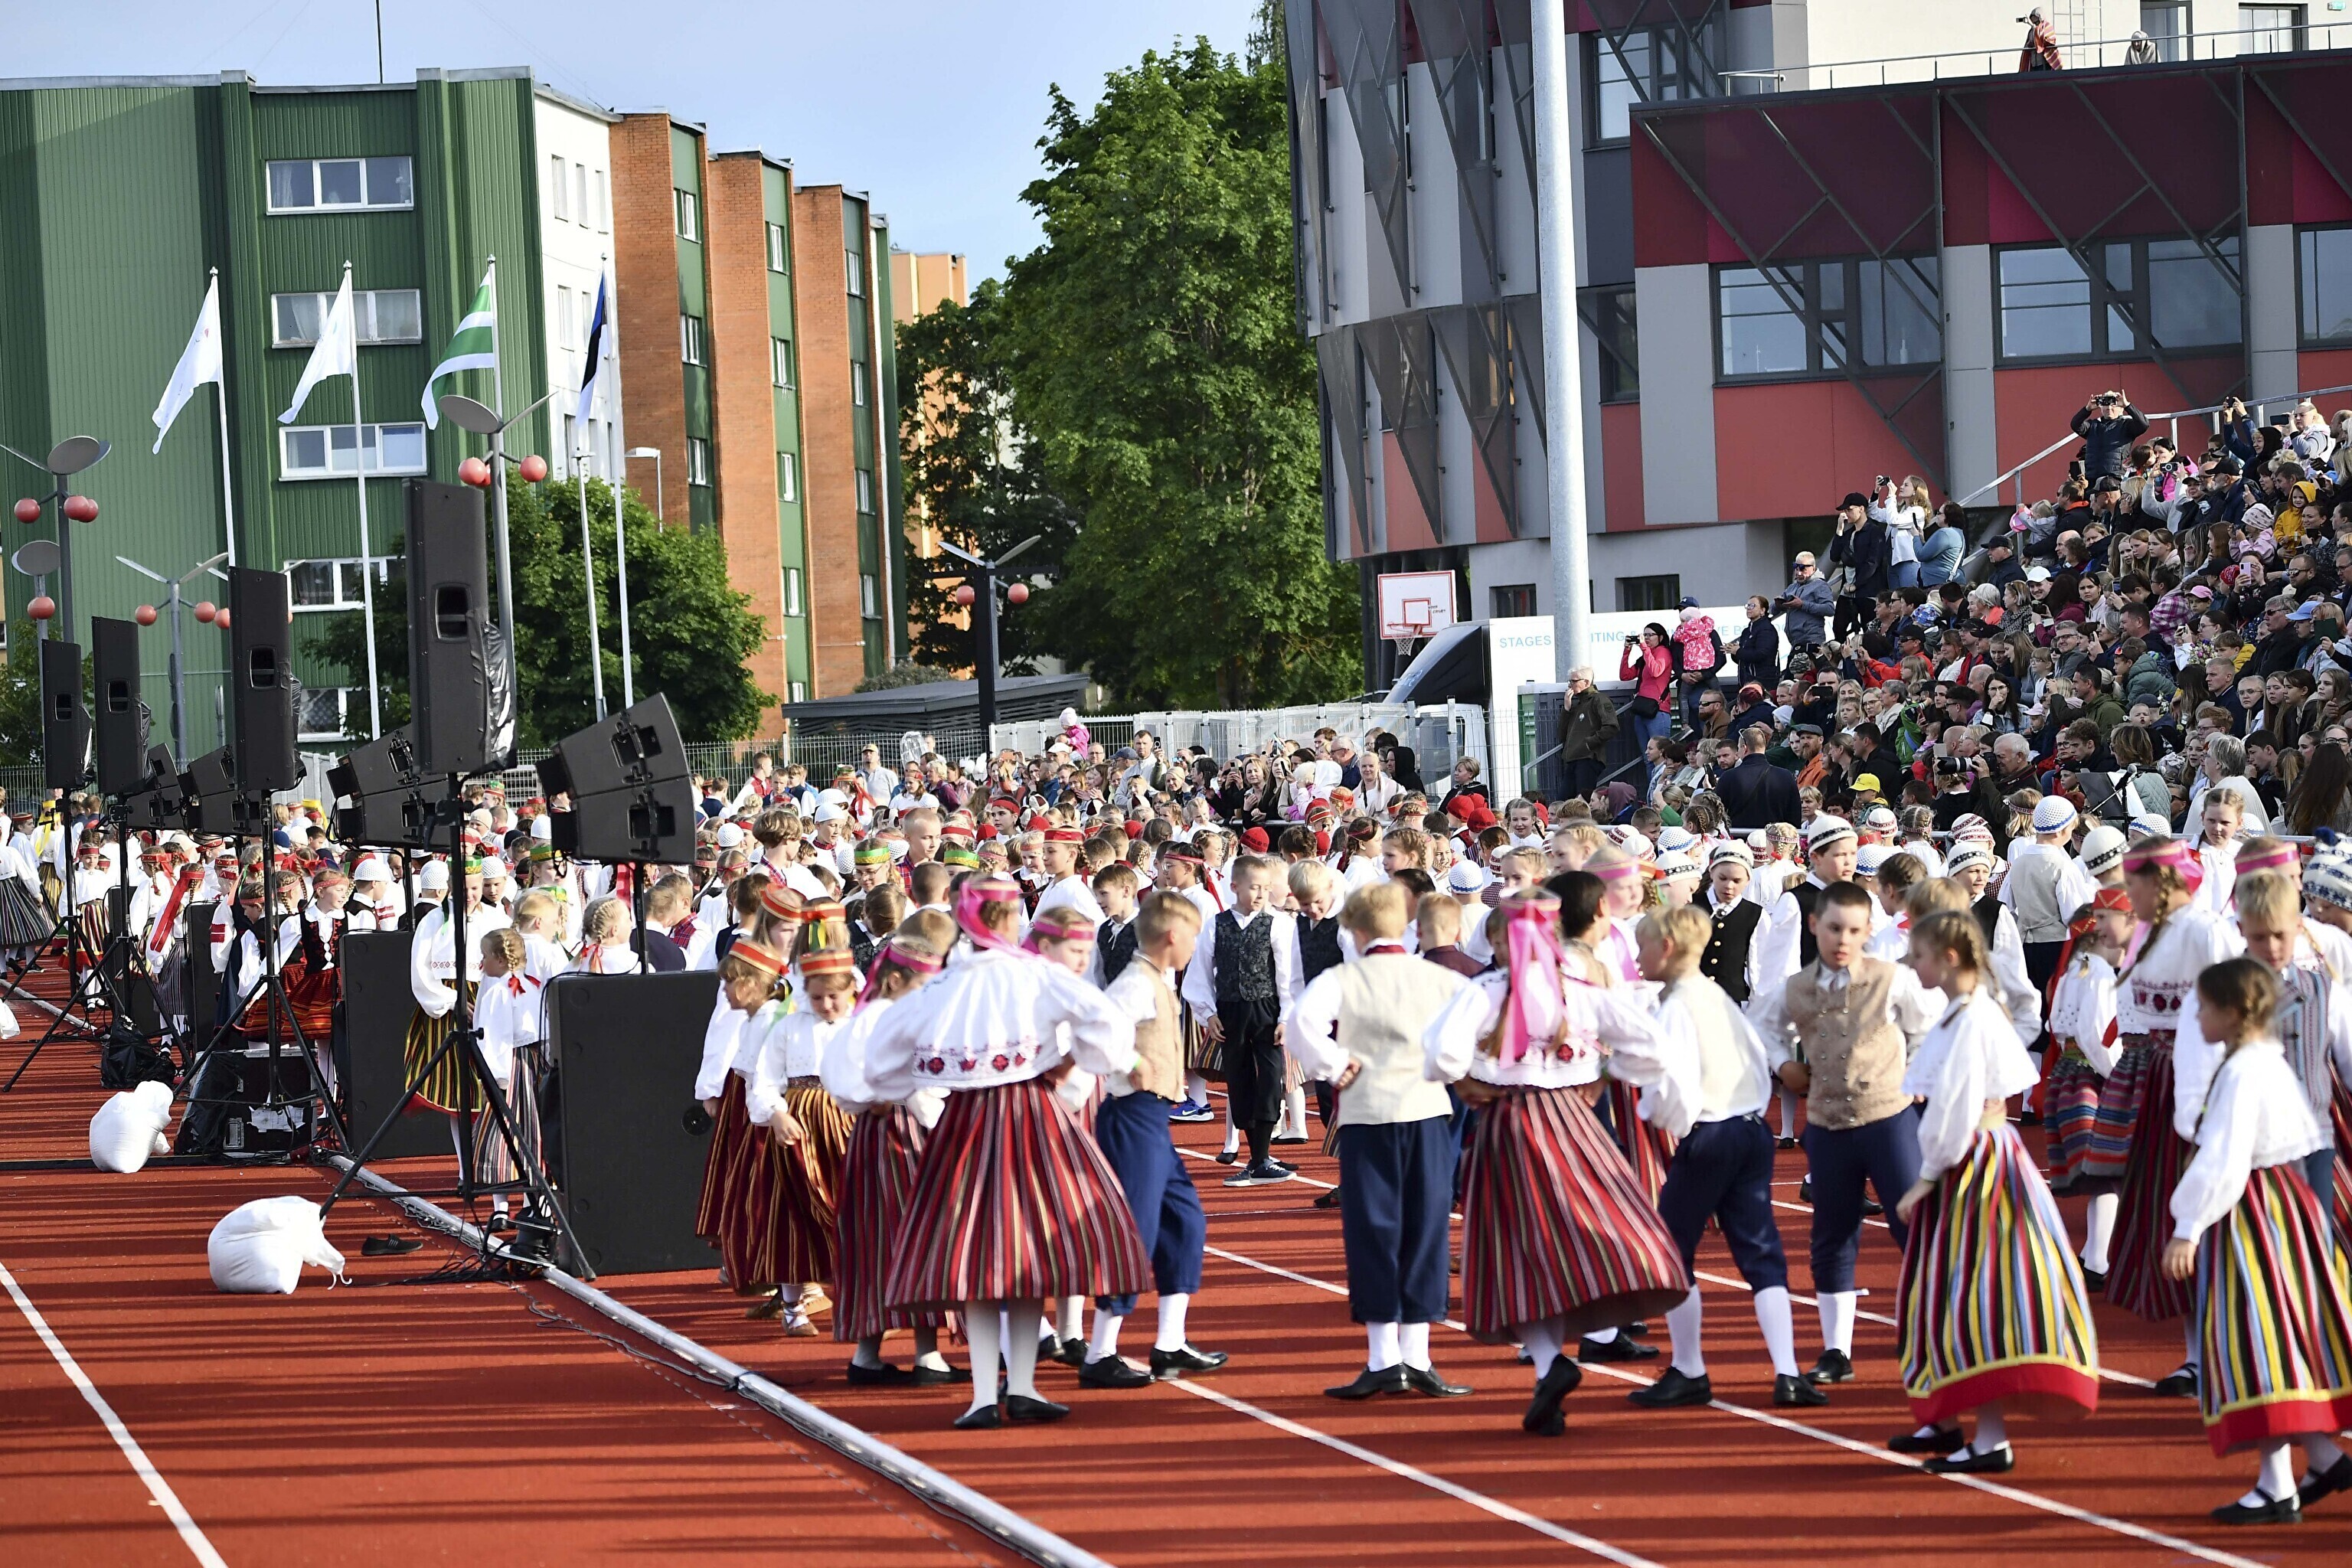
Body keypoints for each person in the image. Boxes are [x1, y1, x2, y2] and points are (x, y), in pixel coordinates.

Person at [867, 874, 1151, 1429]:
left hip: (965, 1122)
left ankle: (987, 1395)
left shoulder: (945, 983)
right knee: (1025, 1253)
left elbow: (882, 1049)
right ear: (1011, 918)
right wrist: (1087, 1063)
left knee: (977, 1257)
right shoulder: (1033, 973)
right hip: (1029, 1116)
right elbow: (1103, 1022)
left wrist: (900, 1087)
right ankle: (1018, 1386)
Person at [1417, 887, 1690, 1432]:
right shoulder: (1579, 989)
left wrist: (1468, 1079)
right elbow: (1653, 1045)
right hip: (1572, 1123)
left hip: (1508, 1123)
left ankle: (1549, 1363)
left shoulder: (1487, 990)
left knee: (1514, 1251)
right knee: (1595, 1226)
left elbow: (1440, 1053)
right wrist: (1603, 1072)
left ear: (1503, 940)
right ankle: (1572, 1351)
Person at [1888, 910, 2099, 1474]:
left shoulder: (1972, 1015)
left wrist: (1927, 1176)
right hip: (1977, 1157)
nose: (1912, 964)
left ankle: (1988, 1438)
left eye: (1919, 955)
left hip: (1975, 1164)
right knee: (1949, 1289)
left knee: (1976, 1293)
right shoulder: (1965, 1009)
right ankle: (1949, 1416)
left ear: (1948, 958)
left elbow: (1956, 1107)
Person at [2164, 957, 2352, 1524]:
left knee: (2255, 1341)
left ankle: (2276, 1486)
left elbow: (2225, 1157)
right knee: (2278, 1338)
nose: (2196, 1016)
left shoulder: (2244, 1070)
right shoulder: (2262, 1059)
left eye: (2204, 1007)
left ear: (2233, 1013)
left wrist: (2187, 1226)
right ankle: (2323, 1460)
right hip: (2281, 1205)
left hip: (2252, 1212)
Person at [1750, 880, 1945, 1385]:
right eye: (1834, 928)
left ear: (1868, 931)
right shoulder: (1796, 987)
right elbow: (1762, 1026)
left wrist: (1917, 1073)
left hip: (1889, 1120)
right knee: (1832, 1235)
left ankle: (1934, 1335)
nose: (1843, 939)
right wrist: (1782, 1064)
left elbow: (1928, 1026)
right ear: (1815, 925)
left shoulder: (1893, 978)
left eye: (1854, 931)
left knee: (1914, 1226)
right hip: (1827, 1124)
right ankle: (1836, 1351)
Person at [1287, 880, 1475, 1401]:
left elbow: (1302, 1023)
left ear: (1355, 930)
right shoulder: (1438, 978)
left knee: (1373, 1228)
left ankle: (1383, 1358)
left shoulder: (1342, 978)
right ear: (1407, 926)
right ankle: (1417, 1355)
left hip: (1367, 1115)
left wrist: (1333, 1065)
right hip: (1426, 1111)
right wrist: (1443, 1067)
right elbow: (1472, 1021)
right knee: (1426, 1226)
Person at [1632, 903, 1821, 1411]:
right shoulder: (1718, 997)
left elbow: (1671, 1087)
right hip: (1750, 1130)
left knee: (1672, 1251)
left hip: (1710, 1133)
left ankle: (1689, 1368)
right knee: (1761, 1250)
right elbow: (1756, 1059)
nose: (1637, 956)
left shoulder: (1676, 1008)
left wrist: (1664, 1119)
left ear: (1666, 948)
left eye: (1643, 946)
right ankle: (1787, 1371)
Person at [2102, 836, 2245, 1399]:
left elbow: (2236, 1006)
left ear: (2158, 883)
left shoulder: (2206, 930)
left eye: (2132, 882)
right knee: (2169, 1212)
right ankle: (2195, 1355)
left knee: (2212, 1214)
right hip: (2162, 1078)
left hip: (2206, 1079)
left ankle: (2226, 1352)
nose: (2125, 893)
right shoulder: (2151, 931)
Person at [1083, 891, 1228, 1388]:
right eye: (1192, 937)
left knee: (1184, 1221)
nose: (1195, 947)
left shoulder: (1158, 980)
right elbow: (1094, 1032)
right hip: (1131, 1117)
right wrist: (1130, 1062)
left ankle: (1170, 1341)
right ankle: (1100, 1352)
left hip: (1153, 1118)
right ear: (1172, 936)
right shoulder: (1135, 983)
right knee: (1135, 1230)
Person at [820, 928, 959, 1385]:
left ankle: (871, 1354)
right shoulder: (884, 1016)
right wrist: (874, 1097)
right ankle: (924, 1355)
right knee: (914, 1233)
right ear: (896, 981)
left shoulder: (878, 1015)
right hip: (900, 1134)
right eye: (923, 985)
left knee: (878, 1237)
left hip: (886, 1133)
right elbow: (847, 1072)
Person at [1183, 856, 1302, 1183]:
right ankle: (1257, 1157)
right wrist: (1208, 1014)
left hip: (1266, 1011)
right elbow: (1200, 973)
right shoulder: (1216, 925)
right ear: (1234, 887)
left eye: (1266, 888)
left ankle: (1262, 1155)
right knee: (1239, 1080)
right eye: (1254, 888)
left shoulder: (1278, 924)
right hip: (1230, 1013)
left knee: (1270, 1078)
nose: (1261, 894)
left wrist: (1286, 1017)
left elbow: (1288, 975)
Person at [2042, 887, 2130, 1283]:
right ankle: (2098, 1262)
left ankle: (2095, 1255)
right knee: (2109, 1172)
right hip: (2091, 1079)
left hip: (2069, 1075)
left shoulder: (2070, 974)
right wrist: (2118, 1077)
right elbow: (2097, 1037)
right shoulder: (2098, 975)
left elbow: (2057, 1028)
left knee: (2105, 1175)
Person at [1559, 667, 1619, 802]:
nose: (1570, 685)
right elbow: (1562, 734)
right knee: (1563, 802)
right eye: (1569, 681)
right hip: (1573, 759)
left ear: (1586, 682)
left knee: (1583, 800)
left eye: (1574, 681)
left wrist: (1588, 743)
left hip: (1588, 758)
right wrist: (1567, 709)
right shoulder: (1578, 704)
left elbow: (1611, 727)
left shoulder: (1599, 699)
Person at [1619, 623, 1674, 751]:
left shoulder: (1663, 652)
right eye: (1645, 635)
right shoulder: (1645, 656)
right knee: (1647, 755)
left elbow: (1656, 671)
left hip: (1658, 709)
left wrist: (1644, 648)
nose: (1647, 638)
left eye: (1650, 635)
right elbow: (1625, 675)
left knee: (1661, 753)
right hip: (1642, 708)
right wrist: (1627, 651)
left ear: (1660, 638)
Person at [1772, 551, 1835, 655]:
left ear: (1813, 568)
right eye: (1796, 567)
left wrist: (1802, 605)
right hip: (1795, 642)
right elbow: (1773, 608)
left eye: (1802, 568)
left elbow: (1830, 609)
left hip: (1812, 641)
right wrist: (1778, 605)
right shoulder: (1792, 587)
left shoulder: (1820, 585)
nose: (1798, 572)